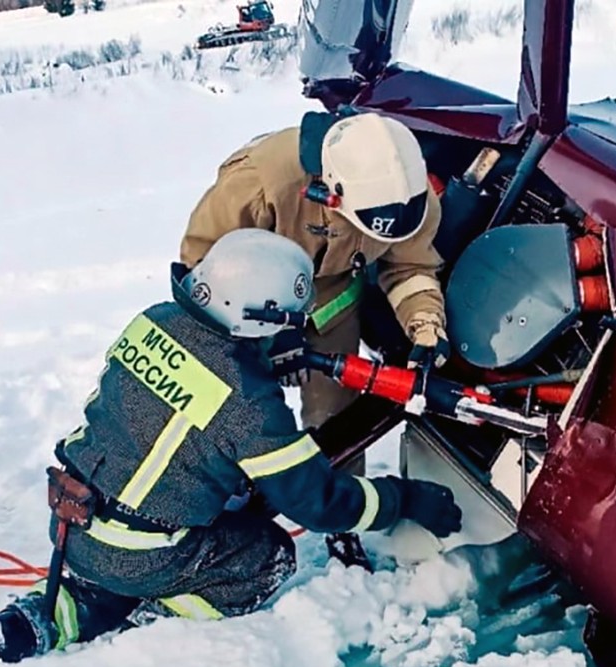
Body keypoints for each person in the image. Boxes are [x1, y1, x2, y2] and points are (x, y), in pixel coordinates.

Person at [0, 229, 462, 667]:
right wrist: (405, 500)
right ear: (255, 319)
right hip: (141, 552)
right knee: (266, 554)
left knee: (127, 555)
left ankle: (32, 620)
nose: (291, 334)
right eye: (287, 324)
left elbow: (181, 411)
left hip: (73, 523)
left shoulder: (154, 321)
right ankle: (151, 614)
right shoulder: (247, 404)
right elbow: (317, 502)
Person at [179, 111, 451, 566]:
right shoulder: (260, 181)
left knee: (336, 415)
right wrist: (274, 332)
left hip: (331, 299)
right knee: (234, 412)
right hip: (242, 301)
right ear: (331, 191)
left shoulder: (410, 198)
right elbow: (202, 264)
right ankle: (214, 506)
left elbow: (410, 267)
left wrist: (425, 327)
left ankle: (342, 524)